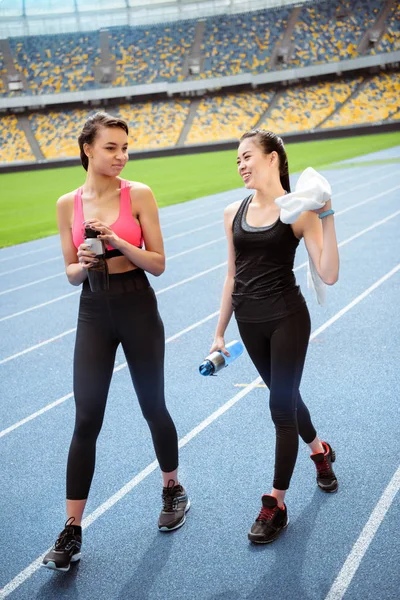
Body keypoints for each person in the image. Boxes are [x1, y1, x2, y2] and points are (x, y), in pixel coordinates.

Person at [42, 112, 189, 572]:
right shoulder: (68, 203)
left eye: (125, 147)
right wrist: (86, 262)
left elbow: (160, 263)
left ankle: (172, 488)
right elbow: (69, 273)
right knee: (86, 418)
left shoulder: (139, 194)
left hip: (137, 306)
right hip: (93, 309)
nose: (122, 156)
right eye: (111, 147)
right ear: (87, 148)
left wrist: (117, 244)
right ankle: (71, 529)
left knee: (153, 406)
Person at [210, 129, 339, 544]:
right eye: (237, 160)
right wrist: (218, 333)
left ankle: (276, 503)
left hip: (287, 317)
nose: (242, 164)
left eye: (248, 156)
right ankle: (320, 451)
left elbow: (329, 274)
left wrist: (328, 213)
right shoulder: (233, 211)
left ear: (273, 159)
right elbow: (232, 274)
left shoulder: (299, 212)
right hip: (249, 322)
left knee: (280, 407)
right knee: (288, 398)